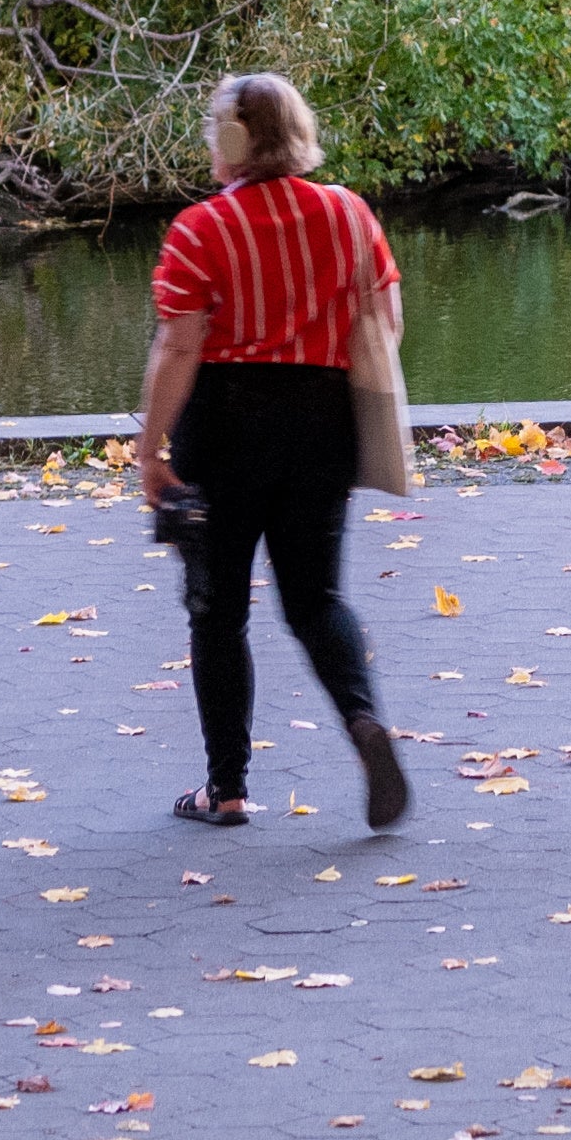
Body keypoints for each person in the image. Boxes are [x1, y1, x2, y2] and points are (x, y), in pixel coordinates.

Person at [132, 70, 407, 832]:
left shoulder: (201, 228)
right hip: (322, 424)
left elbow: (178, 345)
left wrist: (151, 446)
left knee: (217, 610)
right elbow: (387, 323)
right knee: (315, 598)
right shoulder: (350, 215)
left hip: (223, 426)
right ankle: (362, 722)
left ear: (230, 140)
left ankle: (226, 789)